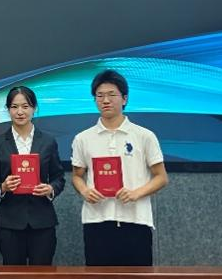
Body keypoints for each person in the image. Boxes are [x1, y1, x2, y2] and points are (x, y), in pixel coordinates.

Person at [71, 69, 169, 266]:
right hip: (96, 220)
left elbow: (161, 177)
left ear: (124, 99)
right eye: (100, 95)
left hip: (136, 220)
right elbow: (77, 176)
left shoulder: (144, 136)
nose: (105, 100)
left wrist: (136, 193)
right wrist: (84, 191)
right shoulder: (83, 138)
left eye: (111, 94)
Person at [0, 86, 65, 265]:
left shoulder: (48, 141)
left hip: (42, 222)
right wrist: (3, 187)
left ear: (34, 108)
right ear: (8, 110)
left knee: (42, 277)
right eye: (14, 107)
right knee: (13, 277)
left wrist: (50, 188)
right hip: (10, 223)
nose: (20, 112)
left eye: (25, 106)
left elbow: (59, 177)